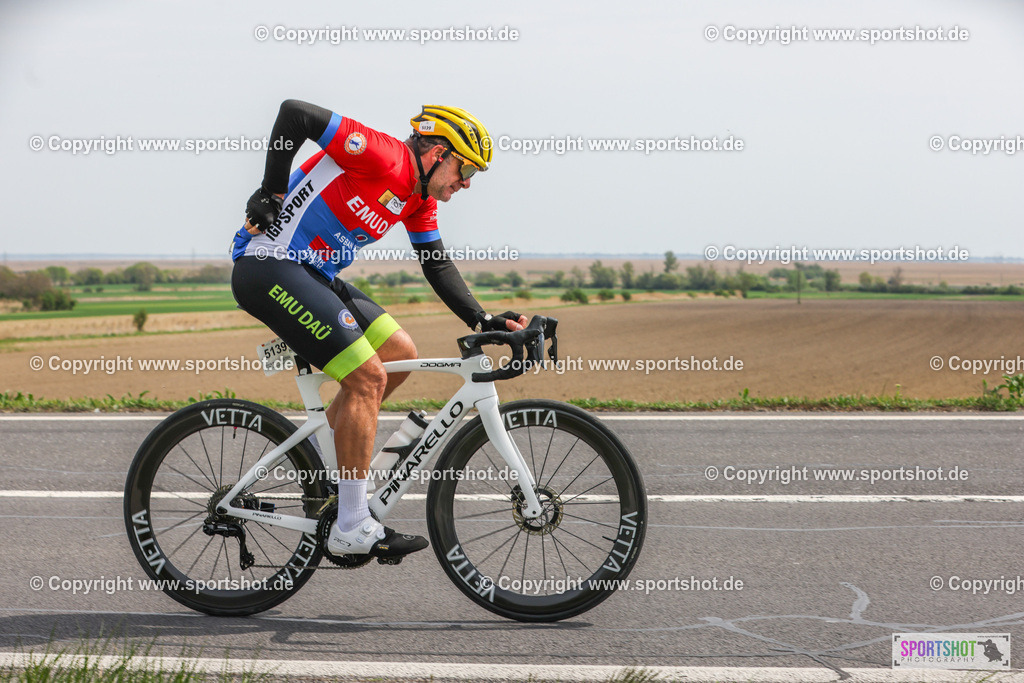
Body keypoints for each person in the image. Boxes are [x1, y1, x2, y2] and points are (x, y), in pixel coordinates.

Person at [230, 100, 527, 561]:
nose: (466, 184)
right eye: (465, 170)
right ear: (437, 154)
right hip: (270, 264)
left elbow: (436, 261)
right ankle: (350, 523)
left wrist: (481, 319)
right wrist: (270, 193)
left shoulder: (418, 196)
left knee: (398, 353)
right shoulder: (381, 155)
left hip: (315, 273)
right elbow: (295, 114)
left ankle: (318, 464)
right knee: (368, 376)